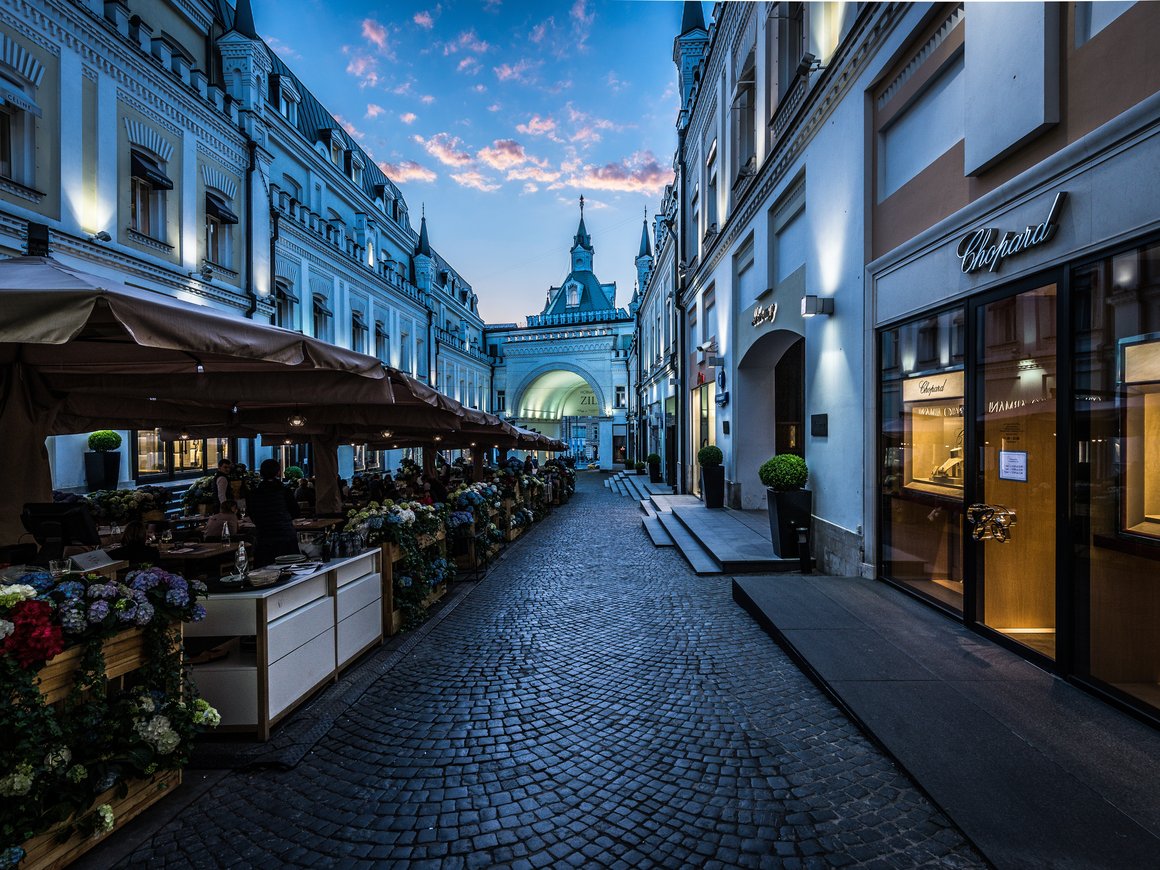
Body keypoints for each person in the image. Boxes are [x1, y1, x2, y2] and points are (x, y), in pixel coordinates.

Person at [247, 459, 301, 566]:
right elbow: (295, 511)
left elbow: (252, 514)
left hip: (264, 537)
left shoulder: (254, 493)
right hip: (285, 535)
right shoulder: (284, 490)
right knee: (290, 567)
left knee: (266, 568)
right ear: (278, 472)